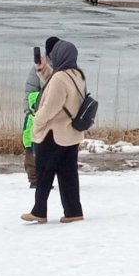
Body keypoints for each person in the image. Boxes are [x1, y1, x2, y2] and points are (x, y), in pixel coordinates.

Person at [21, 40, 87, 224]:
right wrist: (43, 70)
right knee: (68, 175)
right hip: (70, 134)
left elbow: (51, 105)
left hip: (54, 134)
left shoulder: (60, 78)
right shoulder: (77, 74)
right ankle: (74, 211)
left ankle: (39, 211)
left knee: (44, 173)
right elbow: (58, 84)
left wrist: (37, 123)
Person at [22, 37, 59, 188]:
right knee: (31, 146)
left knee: (51, 148)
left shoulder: (63, 68)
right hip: (35, 113)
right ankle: (34, 179)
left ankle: (46, 177)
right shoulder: (38, 68)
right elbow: (30, 92)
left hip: (53, 116)